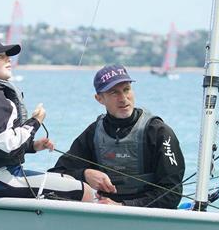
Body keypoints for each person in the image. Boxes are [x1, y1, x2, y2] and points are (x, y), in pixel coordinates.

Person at [0, 33, 96, 201]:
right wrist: (35, 122)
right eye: (0, 56)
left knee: (70, 181)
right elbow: (5, 146)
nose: (8, 60)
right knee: (84, 191)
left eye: (7, 56)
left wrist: (33, 146)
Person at [49, 64, 185, 208]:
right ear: (99, 99)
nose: (123, 98)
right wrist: (85, 174)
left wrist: (122, 206)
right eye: (114, 93)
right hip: (106, 213)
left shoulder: (159, 133)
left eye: (126, 90)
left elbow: (172, 194)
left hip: (148, 216)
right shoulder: (93, 133)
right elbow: (56, 175)